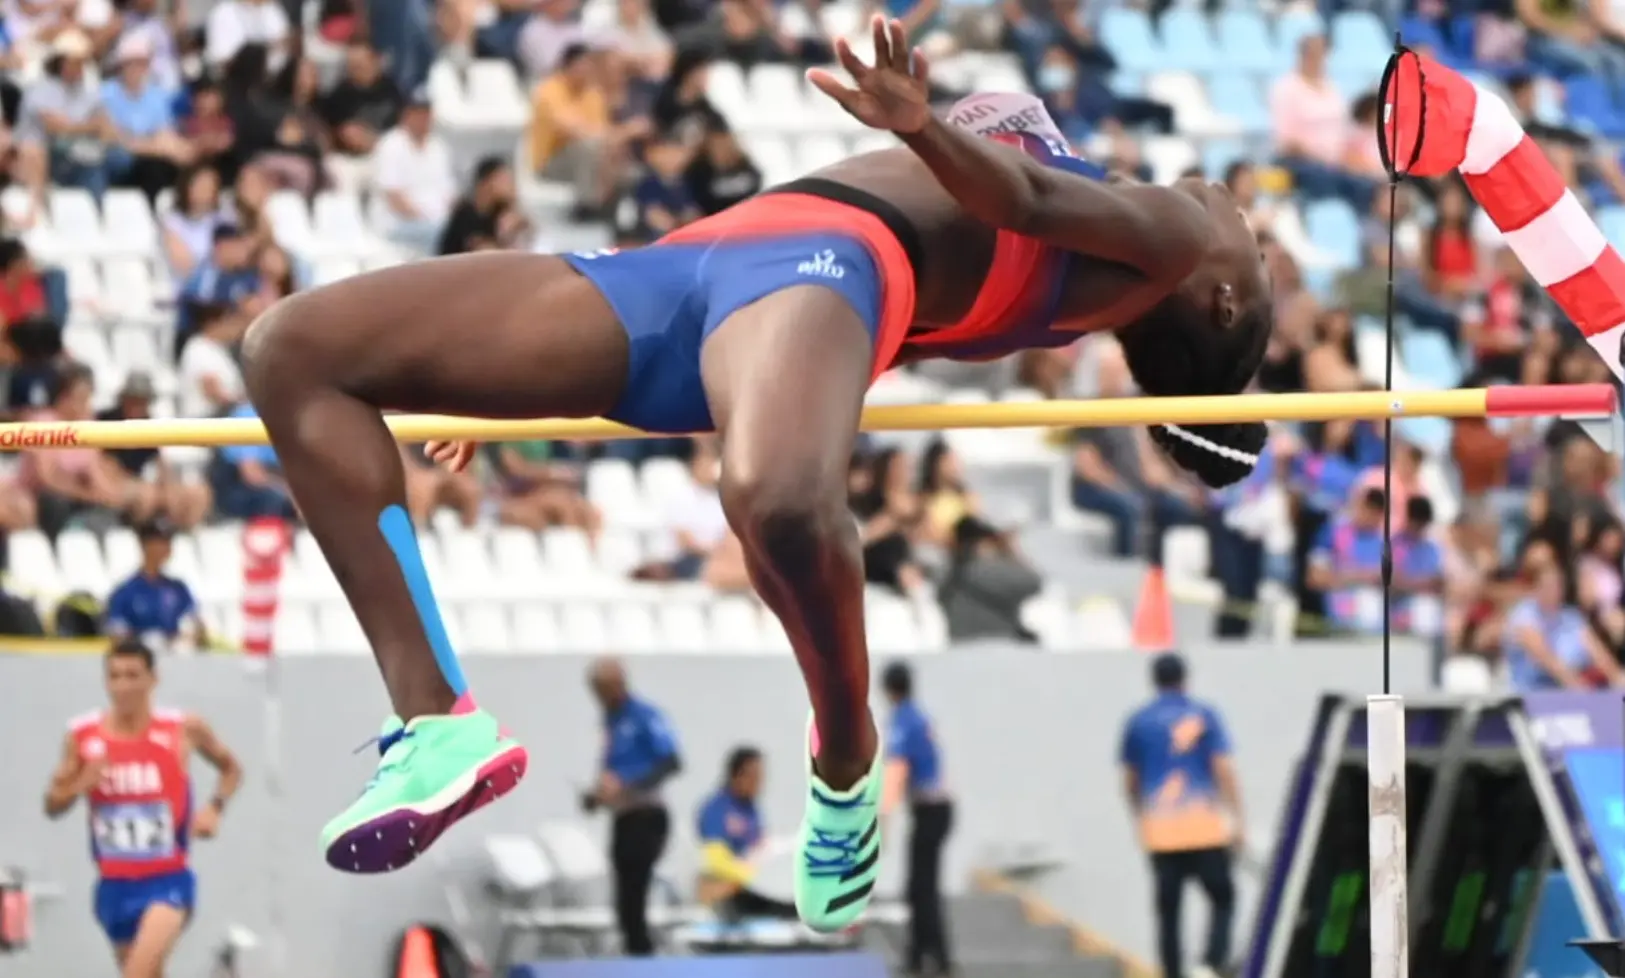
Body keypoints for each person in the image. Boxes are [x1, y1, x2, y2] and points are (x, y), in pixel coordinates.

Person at [237, 15, 1271, 932]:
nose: (1241, 216)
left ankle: (843, 757)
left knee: (772, 498)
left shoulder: (1169, 242)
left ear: (1220, 304)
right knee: (296, 349)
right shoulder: (1111, 245)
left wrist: (918, 124)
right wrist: (498, 391)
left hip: (819, 267)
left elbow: (1025, 194)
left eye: (1260, 255)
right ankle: (434, 722)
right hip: (685, 267)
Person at [42, 640, 242, 978]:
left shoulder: (182, 728)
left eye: (133, 675)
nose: (123, 686)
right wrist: (81, 784)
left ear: (153, 679)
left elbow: (231, 768)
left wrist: (214, 808)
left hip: (167, 880)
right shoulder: (82, 735)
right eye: (115, 676)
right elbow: (52, 804)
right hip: (113, 884)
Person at [1119, 653, 1241, 978]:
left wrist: (1140, 816)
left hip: (1161, 831)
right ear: (1185, 678)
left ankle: (1172, 972)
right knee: (1223, 896)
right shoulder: (1204, 714)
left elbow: (1130, 780)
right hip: (1204, 828)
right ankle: (1211, 962)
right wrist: (1237, 819)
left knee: (1168, 911)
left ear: (1154, 680)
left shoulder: (1139, 720)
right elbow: (1222, 769)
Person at [581, 658, 681, 956]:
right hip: (623, 817)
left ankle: (642, 958)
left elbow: (671, 762)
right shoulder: (610, 723)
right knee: (624, 901)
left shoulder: (643, 716)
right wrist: (597, 797)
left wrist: (627, 787)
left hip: (646, 816)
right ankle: (634, 953)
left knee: (635, 895)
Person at [879, 661, 953, 977]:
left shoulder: (902, 721)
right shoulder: (920, 716)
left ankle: (930, 956)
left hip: (929, 810)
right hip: (938, 807)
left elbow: (897, 769)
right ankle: (924, 953)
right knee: (920, 884)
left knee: (921, 886)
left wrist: (884, 818)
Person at [695, 746, 798, 918]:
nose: (759, 782)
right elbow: (714, 859)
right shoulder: (717, 809)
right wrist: (752, 875)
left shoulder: (751, 810)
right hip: (732, 889)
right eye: (754, 776)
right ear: (737, 775)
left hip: (756, 884)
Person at [104, 521, 205, 654]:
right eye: (159, 542)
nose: (166, 548)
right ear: (144, 545)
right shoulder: (126, 592)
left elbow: (195, 624)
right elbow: (117, 633)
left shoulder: (179, 589)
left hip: (176, 657)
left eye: (167, 542)